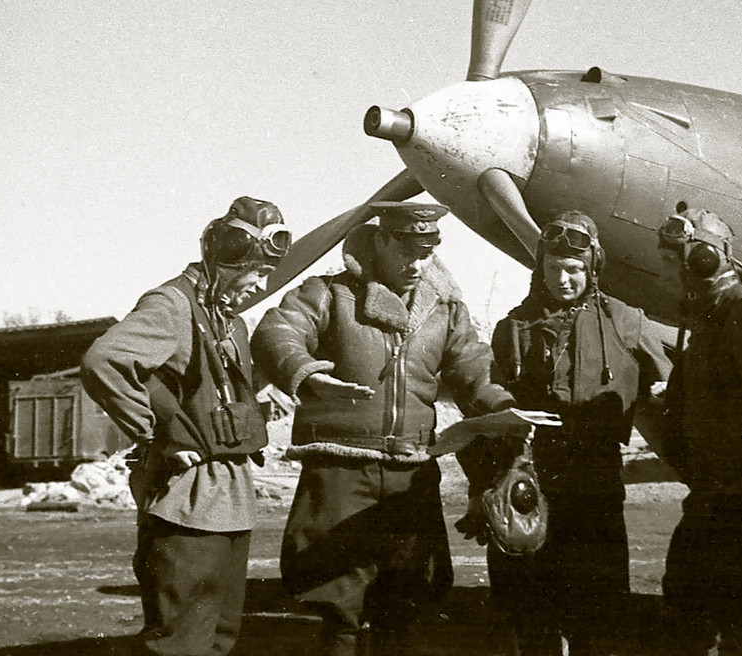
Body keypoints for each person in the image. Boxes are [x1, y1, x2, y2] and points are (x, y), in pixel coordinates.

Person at [250, 201, 516, 656]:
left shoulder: (445, 311)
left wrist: (505, 408)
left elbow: (474, 372)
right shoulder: (329, 294)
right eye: (407, 252)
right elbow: (277, 332)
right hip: (339, 475)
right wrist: (307, 372)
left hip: (410, 479)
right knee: (338, 606)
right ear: (380, 241)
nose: (417, 265)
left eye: (427, 253)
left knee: (406, 605)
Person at [80, 196, 291, 656]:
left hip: (231, 493)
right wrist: (155, 431)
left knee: (219, 637)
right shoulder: (173, 304)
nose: (261, 285)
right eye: (256, 273)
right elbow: (104, 361)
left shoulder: (225, 318)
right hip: (188, 499)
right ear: (228, 262)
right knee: (180, 642)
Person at [462, 210, 670, 656]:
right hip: (530, 483)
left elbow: (672, 384)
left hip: (595, 485)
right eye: (553, 268)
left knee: (597, 614)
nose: (563, 279)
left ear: (592, 266)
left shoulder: (626, 321)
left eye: (574, 269)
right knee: (532, 613)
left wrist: (663, 392)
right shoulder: (513, 327)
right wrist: (481, 487)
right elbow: (482, 409)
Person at [654, 206, 742, 656]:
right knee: (684, 614)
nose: (662, 276)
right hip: (714, 503)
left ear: (702, 262)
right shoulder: (711, 321)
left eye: (668, 264)